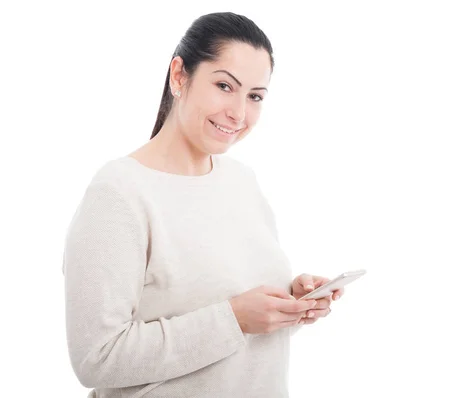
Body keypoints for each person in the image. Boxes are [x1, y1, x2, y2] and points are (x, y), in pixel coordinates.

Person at [62, 12, 344, 398]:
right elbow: (96, 358)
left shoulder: (242, 182)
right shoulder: (119, 194)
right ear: (179, 75)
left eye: (255, 96)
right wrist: (234, 319)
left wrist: (291, 305)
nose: (239, 113)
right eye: (225, 86)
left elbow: (239, 330)